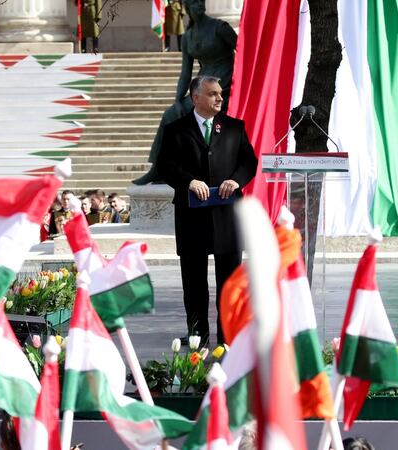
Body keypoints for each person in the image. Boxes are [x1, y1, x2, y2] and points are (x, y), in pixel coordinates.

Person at [157, 75, 258, 347]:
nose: (219, 98)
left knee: (229, 281)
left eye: (220, 94)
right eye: (213, 94)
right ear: (196, 97)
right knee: (194, 283)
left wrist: (236, 179)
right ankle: (197, 338)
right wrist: (189, 181)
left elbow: (249, 161)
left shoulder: (235, 128)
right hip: (192, 216)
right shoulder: (175, 129)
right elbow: (165, 166)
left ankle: (228, 339)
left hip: (227, 216)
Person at [133, 0, 237, 185]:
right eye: (194, 3)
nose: (200, 6)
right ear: (187, 7)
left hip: (226, 85)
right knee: (171, 114)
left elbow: (244, 52)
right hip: (202, 86)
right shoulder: (188, 35)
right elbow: (185, 73)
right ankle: (159, 168)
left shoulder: (220, 28)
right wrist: (178, 101)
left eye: (201, 2)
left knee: (194, 113)